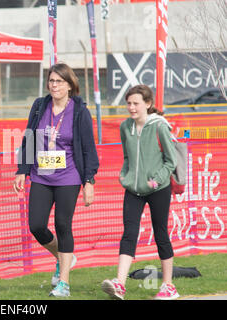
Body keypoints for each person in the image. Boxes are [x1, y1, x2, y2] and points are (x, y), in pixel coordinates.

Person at [13, 63, 99, 297]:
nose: (54, 85)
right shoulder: (40, 106)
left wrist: (88, 181)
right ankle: (63, 258)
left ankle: (64, 284)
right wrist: (22, 169)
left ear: (70, 85)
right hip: (41, 175)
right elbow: (29, 138)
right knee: (36, 225)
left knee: (63, 225)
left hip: (68, 176)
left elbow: (89, 149)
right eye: (51, 81)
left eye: (59, 81)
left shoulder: (80, 111)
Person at [101, 84, 179, 300]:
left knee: (160, 233)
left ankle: (168, 286)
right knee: (129, 233)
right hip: (133, 190)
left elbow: (171, 161)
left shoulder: (159, 127)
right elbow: (127, 157)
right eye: (129, 103)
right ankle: (120, 284)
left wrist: (157, 181)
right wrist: (124, 176)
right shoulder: (125, 127)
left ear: (148, 104)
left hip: (157, 189)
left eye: (136, 103)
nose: (131, 108)